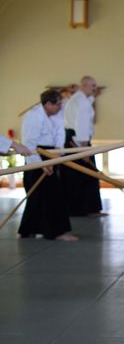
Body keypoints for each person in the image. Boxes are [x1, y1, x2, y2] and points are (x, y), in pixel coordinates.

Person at [18, 90, 78, 241]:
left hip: (51, 154)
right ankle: (54, 232)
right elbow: (29, 144)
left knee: (48, 195)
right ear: (48, 104)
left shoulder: (56, 113)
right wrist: (41, 164)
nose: (60, 107)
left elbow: (59, 133)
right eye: (57, 104)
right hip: (35, 156)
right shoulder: (33, 116)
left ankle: (32, 229)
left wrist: (57, 153)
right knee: (43, 195)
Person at [62, 75, 104, 216]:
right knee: (86, 176)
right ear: (84, 86)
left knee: (76, 176)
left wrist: (93, 97)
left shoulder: (78, 99)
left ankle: (78, 209)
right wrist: (84, 150)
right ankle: (88, 209)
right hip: (78, 142)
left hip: (72, 140)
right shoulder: (82, 102)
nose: (95, 88)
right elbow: (81, 125)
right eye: (92, 85)